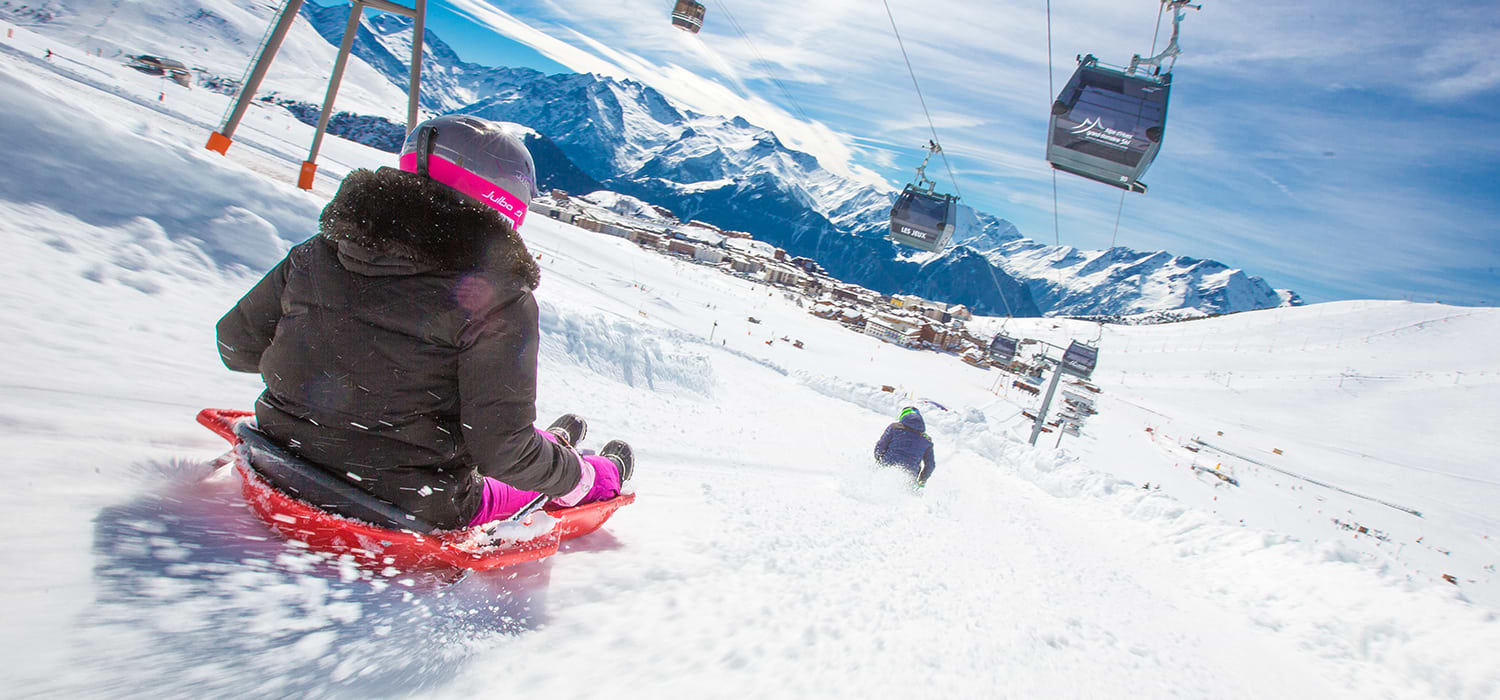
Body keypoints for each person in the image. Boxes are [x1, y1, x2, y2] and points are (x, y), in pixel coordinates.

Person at [215, 114, 632, 531]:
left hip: (280, 454)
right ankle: (597, 473)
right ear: (505, 200)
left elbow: (235, 346)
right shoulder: (497, 299)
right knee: (539, 469)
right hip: (405, 501)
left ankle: (550, 452)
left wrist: (322, 390)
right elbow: (501, 451)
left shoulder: (320, 252)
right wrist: (577, 480)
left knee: (510, 449)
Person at [873, 406, 936, 487]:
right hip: (908, 477)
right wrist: (921, 481)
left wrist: (879, 460)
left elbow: (880, 446)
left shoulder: (894, 427)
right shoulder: (927, 440)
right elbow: (930, 465)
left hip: (886, 468)